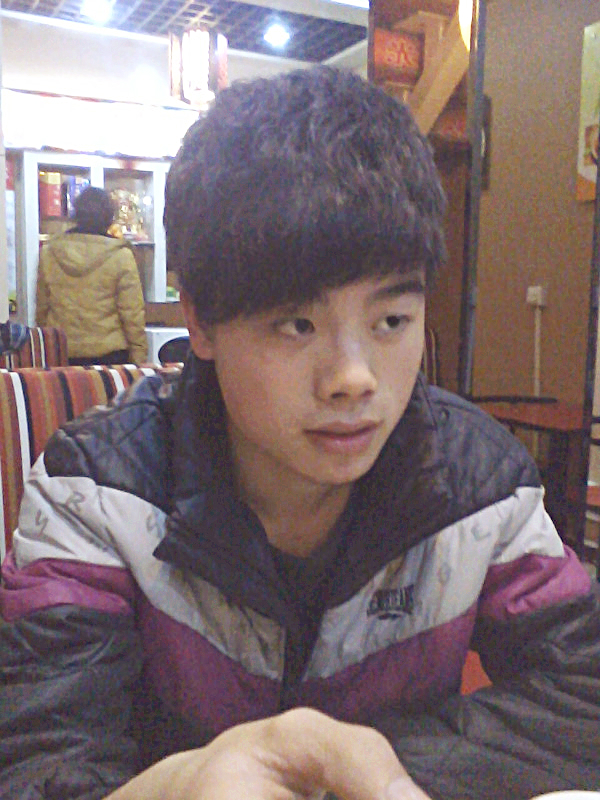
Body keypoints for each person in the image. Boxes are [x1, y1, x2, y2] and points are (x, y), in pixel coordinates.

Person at [0, 66, 598, 800]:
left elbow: (585, 696)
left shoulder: (478, 483)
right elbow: (38, 762)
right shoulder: (95, 491)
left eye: (391, 320)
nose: (354, 377)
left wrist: (352, 767)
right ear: (200, 321)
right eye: (296, 324)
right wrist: (187, 783)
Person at [35, 185, 148, 365]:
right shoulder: (121, 256)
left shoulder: (50, 252)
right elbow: (132, 315)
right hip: (111, 354)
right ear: (109, 217)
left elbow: (42, 310)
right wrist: (139, 359)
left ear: (76, 215)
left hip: (61, 352)